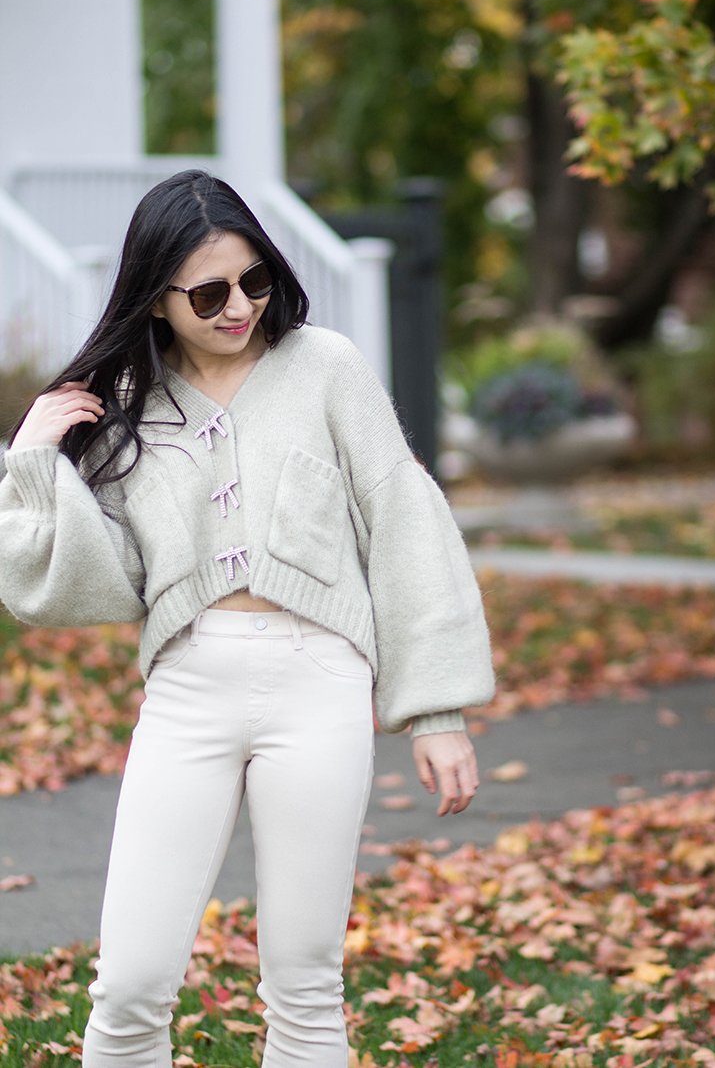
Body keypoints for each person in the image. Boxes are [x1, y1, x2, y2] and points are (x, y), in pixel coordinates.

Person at [0, 169, 494, 1068]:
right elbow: (91, 589)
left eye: (256, 280)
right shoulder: (126, 404)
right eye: (211, 292)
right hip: (189, 688)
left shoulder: (327, 368)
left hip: (321, 685)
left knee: (305, 983)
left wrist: (438, 710)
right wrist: (34, 464)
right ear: (156, 299)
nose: (240, 307)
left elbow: (404, 523)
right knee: (129, 987)